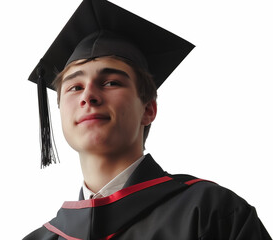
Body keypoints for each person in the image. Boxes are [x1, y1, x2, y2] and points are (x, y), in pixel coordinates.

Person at [24, 0, 272, 239]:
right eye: (75, 87)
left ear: (148, 110)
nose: (88, 96)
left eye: (111, 82)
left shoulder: (211, 214)